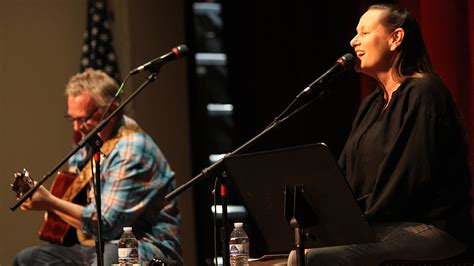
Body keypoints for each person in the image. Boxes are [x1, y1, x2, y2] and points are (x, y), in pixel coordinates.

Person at [289, 3, 472, 266]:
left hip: (431, 227)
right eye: (355, 33)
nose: (354, 41)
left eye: (364, 33)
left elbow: (409, 180)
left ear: (396, 38)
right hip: (381, 222)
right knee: (299, 250)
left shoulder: (424, 94)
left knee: (315, 258)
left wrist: (354, 224)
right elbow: (344, 176)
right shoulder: (371, 105)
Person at [14, 69, 182, 265]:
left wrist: (51, 202)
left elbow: (107, 225)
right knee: (27, 260)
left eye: (83, 119)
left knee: (109, 258)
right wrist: (48, 205)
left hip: (144, 244)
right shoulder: (88, 141)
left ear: (110, 111)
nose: (77, 127)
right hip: (97, 245)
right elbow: (79, 200)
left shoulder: (132, 149)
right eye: (72, 119)